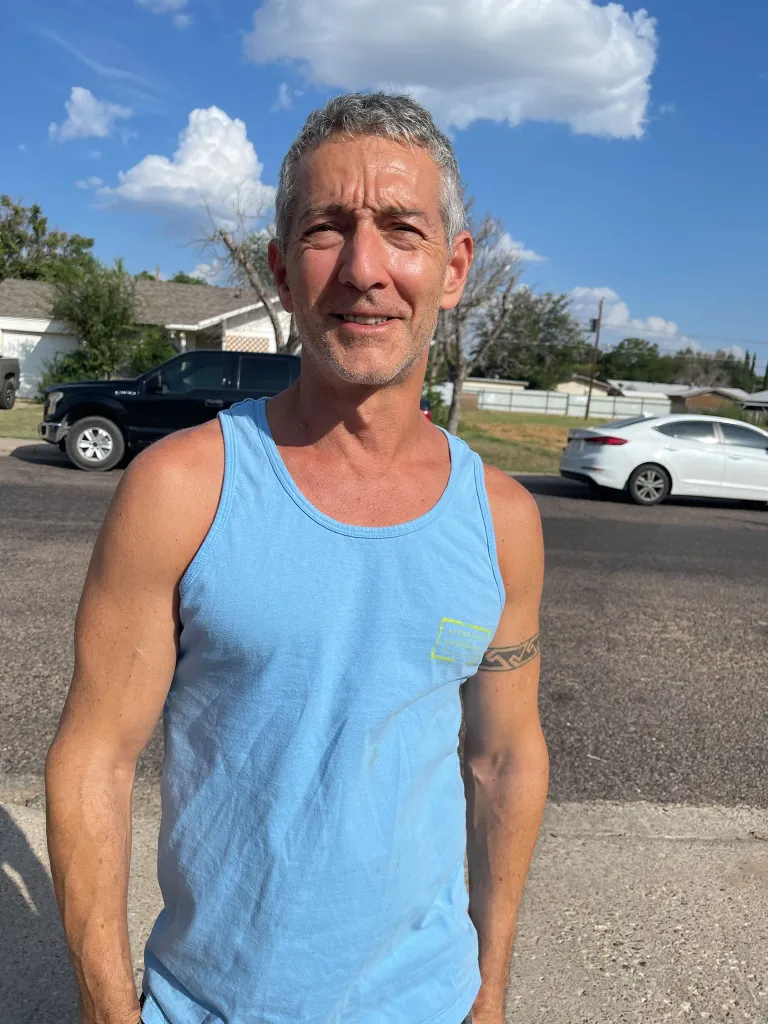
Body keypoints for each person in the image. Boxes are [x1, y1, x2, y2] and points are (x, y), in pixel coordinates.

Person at [45, 92, 549, 1024]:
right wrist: (109, 1011)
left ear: (454, 268)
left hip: (432, 1002)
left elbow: (504, 758)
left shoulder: (502, 519)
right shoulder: (181, 490)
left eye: (402, 229)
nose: (364, 268)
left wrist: (489, 992)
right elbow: (94, 761)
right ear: (281, 268)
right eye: (326, 229)